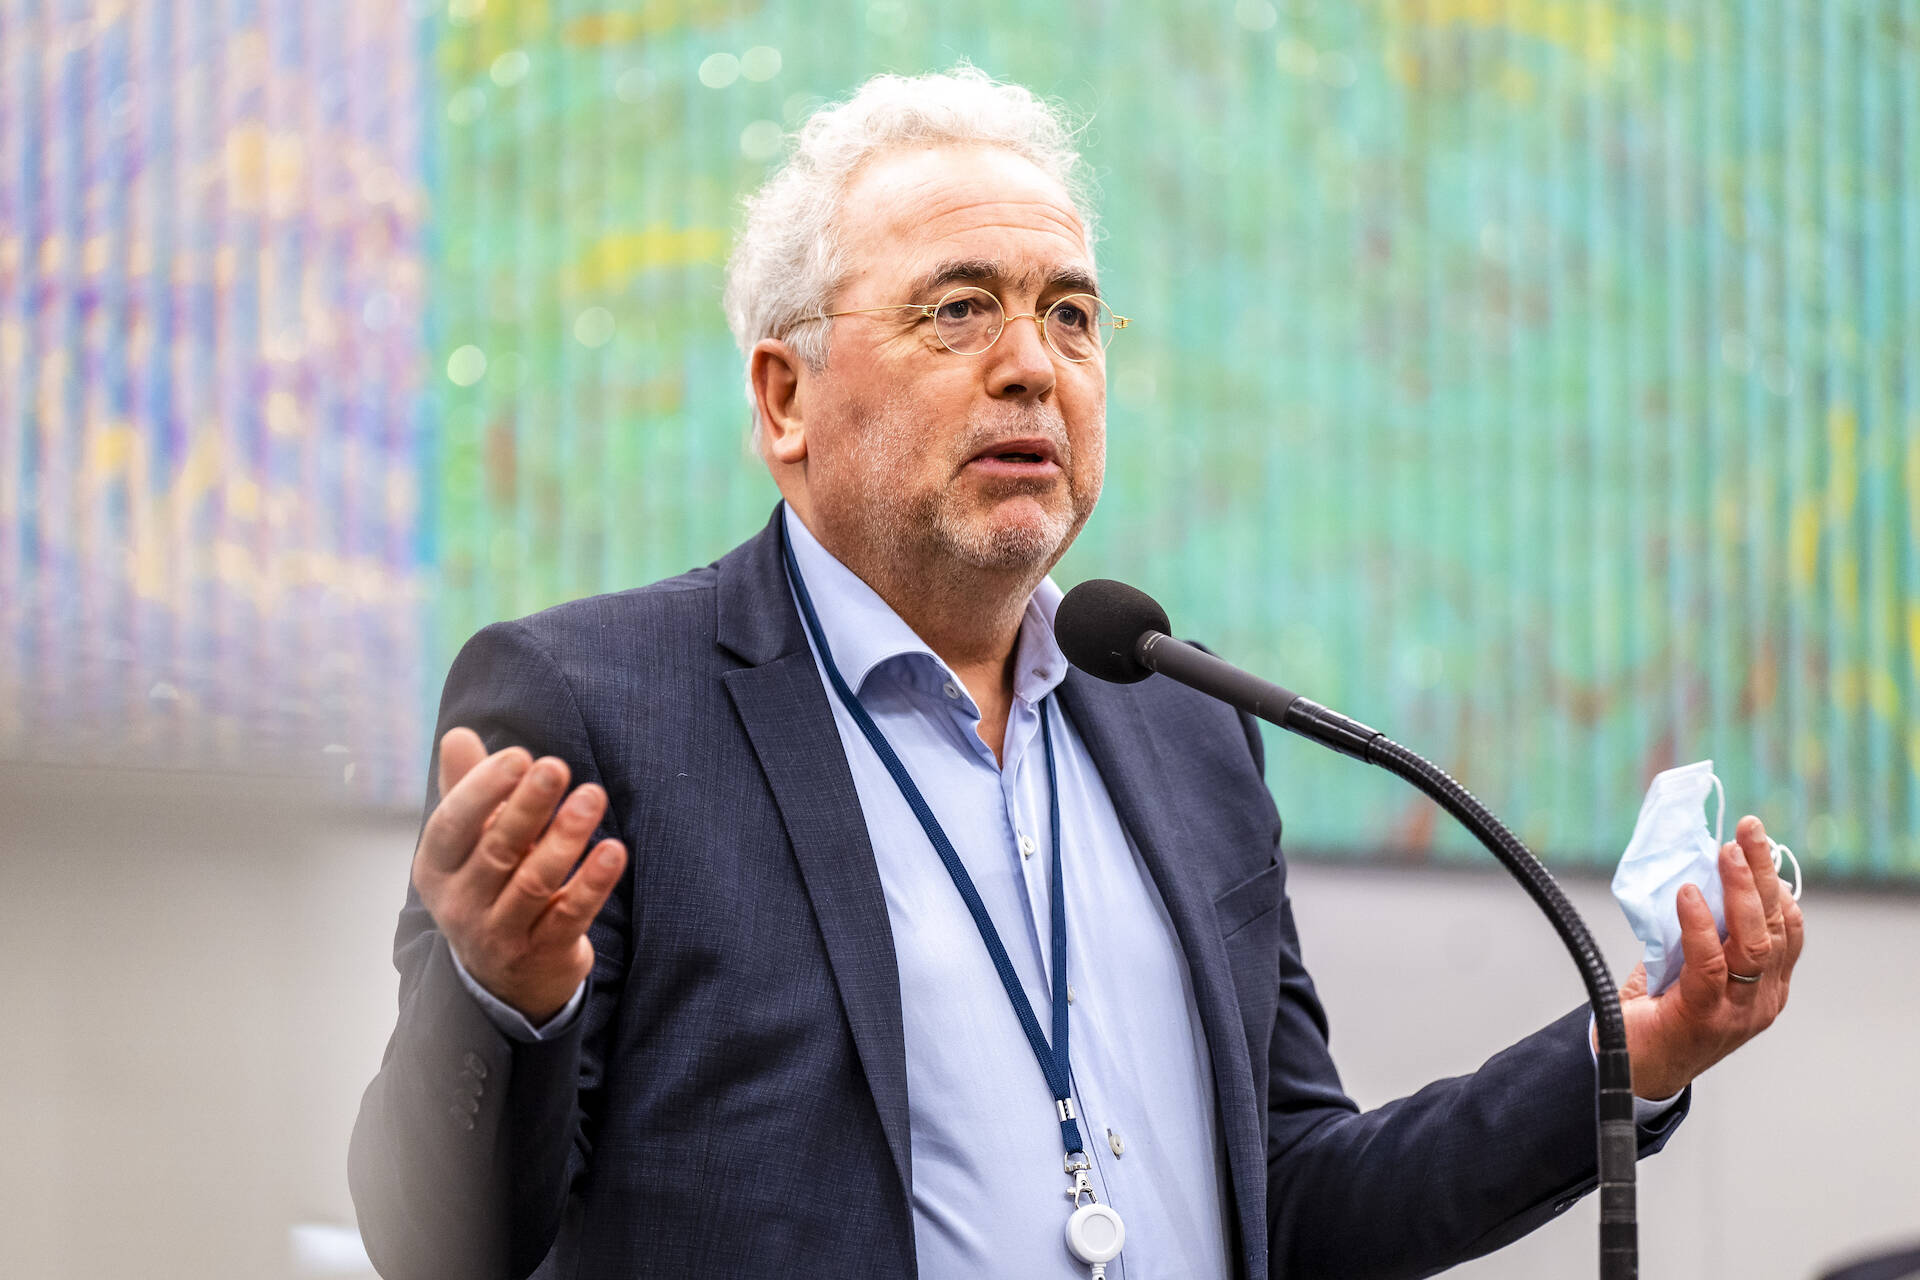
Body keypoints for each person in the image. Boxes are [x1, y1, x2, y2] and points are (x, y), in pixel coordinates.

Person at [349, 67, 1805, 1280]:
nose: (1034, 365)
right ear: (786, 398)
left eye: (1070, 313)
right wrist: (500, 1003)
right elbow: (432, 1244)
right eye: (958, 309)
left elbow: (1296, 1199)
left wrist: (1636, 1052)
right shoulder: (597, 708)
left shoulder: (1183, 723)